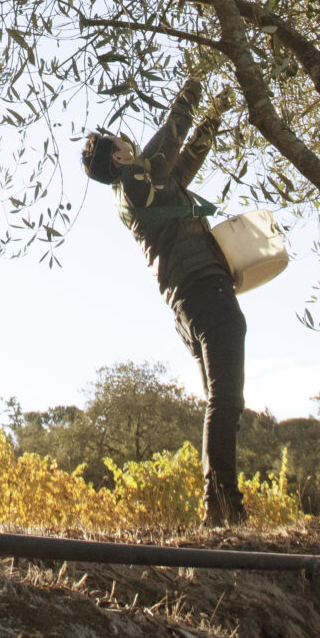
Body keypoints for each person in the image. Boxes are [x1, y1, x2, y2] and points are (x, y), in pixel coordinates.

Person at [79, 77, 246, 526]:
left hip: (188, 300)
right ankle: (221, 501)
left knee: (221, 399)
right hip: (203, 291)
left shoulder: (148, 187)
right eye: (120, 140)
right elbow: (173, 134)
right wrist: (195, 85)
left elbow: (187, 156)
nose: (128, 140)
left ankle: (222, 502)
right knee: (226, 399)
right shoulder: (135, 178)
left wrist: (215, 114)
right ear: (117, 156)